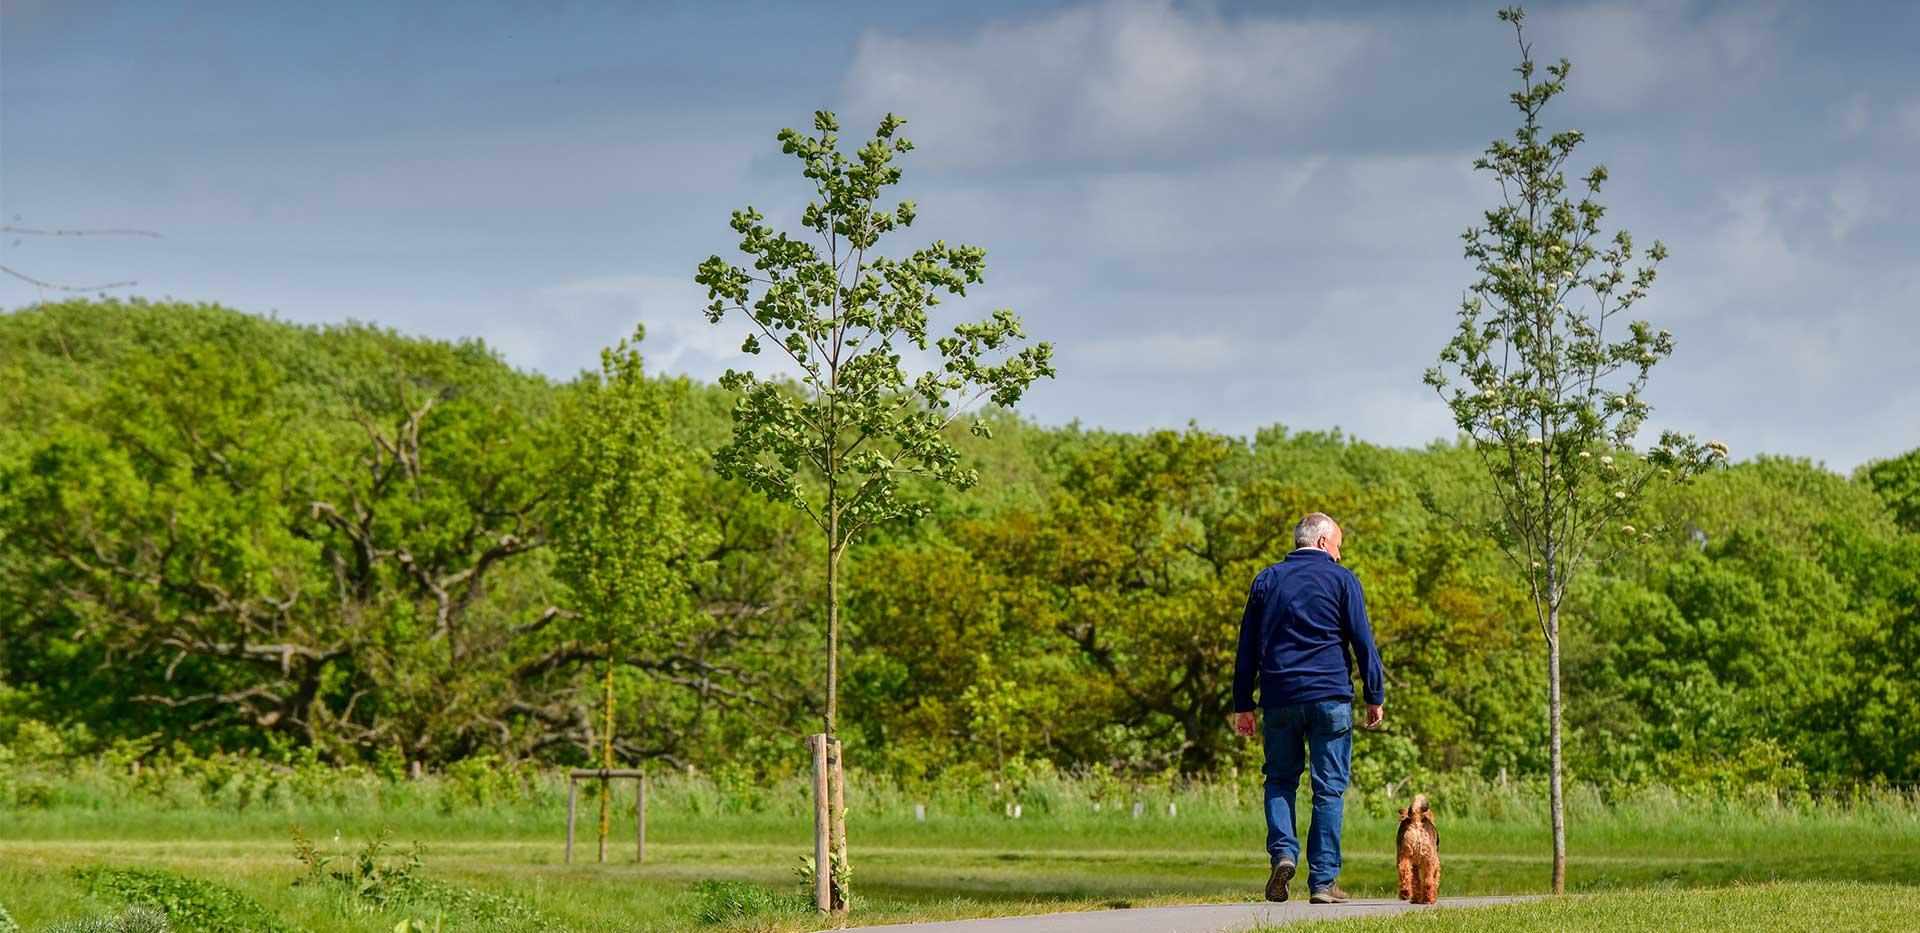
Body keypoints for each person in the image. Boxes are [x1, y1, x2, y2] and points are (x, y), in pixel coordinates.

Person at [1230, 512, 1386, 904]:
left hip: (1279, 696)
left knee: (1280, 780)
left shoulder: (1267, 580)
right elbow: (1363, 641)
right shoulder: (1342, 580)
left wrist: (1242, 704)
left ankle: (1283, 853)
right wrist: (1374, 694)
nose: (1339, 555)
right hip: (1330, 696)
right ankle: (1322, 882)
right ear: (1320, 542)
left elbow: (1246, 647)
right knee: (1328, 788)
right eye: (1337, 546)